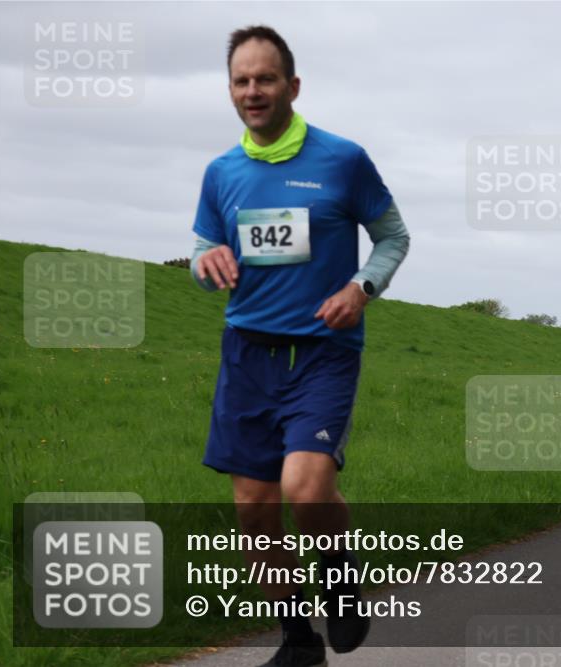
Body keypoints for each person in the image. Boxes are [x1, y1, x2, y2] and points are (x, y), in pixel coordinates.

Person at [190, 26, 410, 667]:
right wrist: (208, 262)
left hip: (321, 350)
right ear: (231, 90)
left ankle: (341, 576)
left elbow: (394, 238)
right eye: (241, 80)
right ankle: (297, 640)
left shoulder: (342, 159)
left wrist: (362, 288)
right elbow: (204, 251)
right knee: (253, 510)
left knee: (306, 488)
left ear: (292, 85)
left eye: (265, 78)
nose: (252, 91)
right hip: (246, 355)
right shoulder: (221, 172)